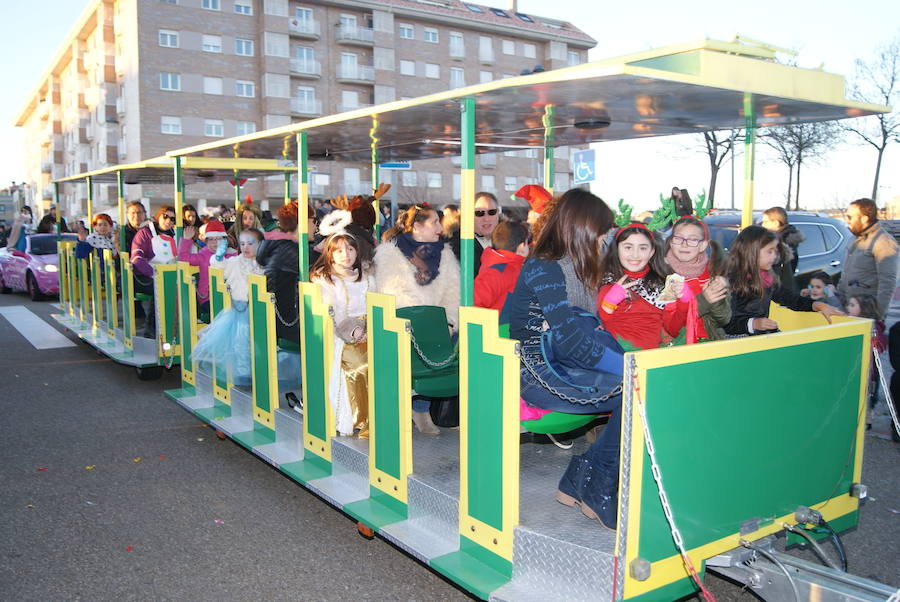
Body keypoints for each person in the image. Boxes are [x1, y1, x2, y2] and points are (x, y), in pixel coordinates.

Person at [501, 188, 623, 529]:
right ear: (582, 227)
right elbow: (571, 340)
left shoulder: (579, 266)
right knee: (638, 391)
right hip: (537, 373)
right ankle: (594, 483)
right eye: (603, 229)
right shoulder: (544, 267)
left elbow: (586, 332)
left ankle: (583, 479)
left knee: (641, 390)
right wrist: (628, 367)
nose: (606, 236)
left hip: (562, 367)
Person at [374, 203, 460, 435]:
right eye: (434, 222)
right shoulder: (390, 253)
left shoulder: (445, 253)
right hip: (408, 323)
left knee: (457, 341)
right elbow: (394, 292)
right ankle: (404, 407)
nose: (440, 227)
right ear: (417, 226)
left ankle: (422, 408)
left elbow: (453, 291)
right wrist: (425, 323)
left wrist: (450, 320)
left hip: (438, 324)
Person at [311, 214, 373, 438]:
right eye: (339, 250)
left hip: (371, 331)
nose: (345, 255)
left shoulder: (366, 276)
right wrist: (355, 331)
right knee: (361, 365)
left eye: (350, 249)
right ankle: (363, 419)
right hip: (345, 336)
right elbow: (336, 316)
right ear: (330, 254)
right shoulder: (327, 280)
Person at [724, 225, 844, 336]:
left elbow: (789, 298)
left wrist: (815, 304)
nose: (774, 256)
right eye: (769, 251)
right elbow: (726, 321)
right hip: (736, 341)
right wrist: (752, 324)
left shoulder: (767, 278)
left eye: (775, 252)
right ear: (751, 252)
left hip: (757, 338)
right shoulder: (733, 282)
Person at [192, 228, 265, 386]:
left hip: (259, 310)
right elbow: (220, 265)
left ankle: (258, 373)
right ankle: (243, 375)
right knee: (240, 342)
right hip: (239, 310)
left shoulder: (262, 263)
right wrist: (218, 256)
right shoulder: (234, 261)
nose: (246, 247)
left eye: (250, 243)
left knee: (258, 343)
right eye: (243, 243)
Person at [597, 224, 688, 350]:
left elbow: (672, 329)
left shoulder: (662, 284)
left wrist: (684, 302)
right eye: (628, 247)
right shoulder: (607, 281)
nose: (635, 255)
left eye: (643, 248)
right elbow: (603, 324)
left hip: (656, 358)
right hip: (621, 357)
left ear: (652, 252)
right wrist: (609, 302)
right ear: (617, 249)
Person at [664, 216, 731, 342]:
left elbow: (724, 318)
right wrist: (703, 301)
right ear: (671, 242)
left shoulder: (712, 273)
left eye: (693, 240)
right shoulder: (664, 276)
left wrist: (718, 296)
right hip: (679, 347)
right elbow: (671, 329)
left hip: (710, 343)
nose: (684, 244)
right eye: (678, 238)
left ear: (703, 245)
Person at [838, 198, 899, 321]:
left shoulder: (883, 242)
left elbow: (887, 282)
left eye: (850, 217)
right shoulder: (854, 239)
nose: (847, 221)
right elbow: (846, 273)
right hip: (850, 308)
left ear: (864, 218)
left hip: (867, 313)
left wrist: (878, 314)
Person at [257, 202, 300, 345]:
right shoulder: (289, 248)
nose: (315, 225)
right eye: (312, 221)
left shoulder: (279, 245)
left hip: (276, 316)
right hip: (286, 319)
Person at [131, 205, 177, 338]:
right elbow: (136, 258)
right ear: (158, 216)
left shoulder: (175, 234)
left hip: (170, 275)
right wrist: (153, 274)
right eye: (165, 216)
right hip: (145, 277)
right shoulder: (145, 233)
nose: (168, 220)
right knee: (160, 290)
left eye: (172, 219)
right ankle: (151, 331)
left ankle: (174, 329)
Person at [178, 219, 233, 322]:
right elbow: (183, 257)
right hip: (207, 298)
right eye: (211, 239)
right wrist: (186, 240)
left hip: (227, 296)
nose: (215, 242)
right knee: (224, 312)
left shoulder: (230, 255)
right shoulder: (202, 256)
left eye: (219, 239)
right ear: (206, 242)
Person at [846, 293, 887, 429]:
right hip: (855, 367)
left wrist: (872, 343)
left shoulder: (873, 327)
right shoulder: (851, 323)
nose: (848, 308)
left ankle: (867, 418)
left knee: (869, 394)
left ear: (864, 309)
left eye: (852, 305)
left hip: (870, 372)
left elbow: (880, 345)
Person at [474, 221, 529, 312]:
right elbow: (476, 304)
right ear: (521, 247)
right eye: (527, 243)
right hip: (498, 325)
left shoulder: (512, 268)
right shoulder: (497, 272)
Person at [450, 191, 500, 277]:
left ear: (498, 213)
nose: (486, 219)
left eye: (491, 212)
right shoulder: (458, 244)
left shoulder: (510, 238)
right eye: (479, 213)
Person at [761, 206, 804, 291]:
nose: (763, 225)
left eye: (766, 222)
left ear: (776, 223)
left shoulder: (783, 245)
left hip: (780, 290)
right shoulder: (783, 239)